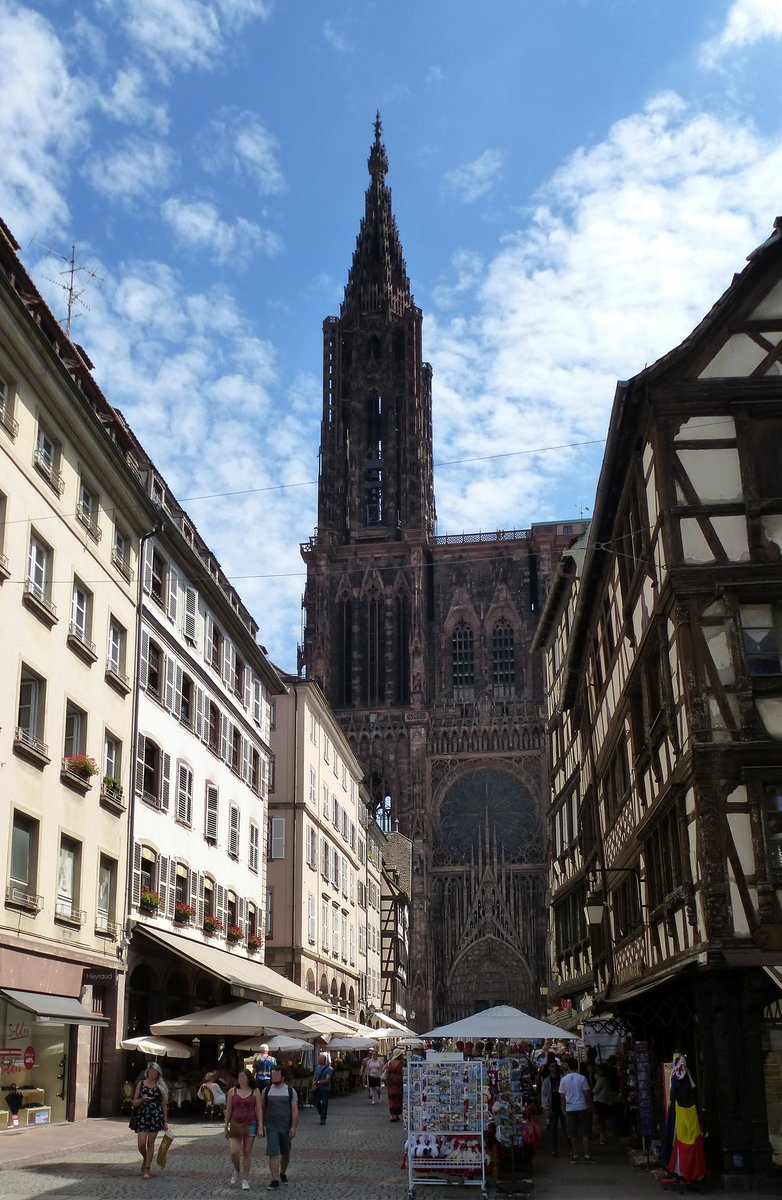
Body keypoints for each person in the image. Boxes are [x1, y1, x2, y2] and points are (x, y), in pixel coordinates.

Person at [260, 1064, 298, 1190]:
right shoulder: (266, 1091)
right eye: (272, 1074)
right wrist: (261, 1125)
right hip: (271, 1126)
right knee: (273, 1152)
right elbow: (263, 1108)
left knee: (285, 1152)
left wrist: (293, 1127)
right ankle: (274, 1179)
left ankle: (282, 1172)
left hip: (285, 1126)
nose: (273, 1076)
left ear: (283, 1076)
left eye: (276, 1074)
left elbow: (294, 1110)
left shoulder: (290, 1091)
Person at [225, 1068, 263, 1191]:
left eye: (243, 1077)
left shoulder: (255, 1091)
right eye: (239, 1077)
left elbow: (259, 1109)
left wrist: (261, 1126)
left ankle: (245, 1179)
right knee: (234, 1152)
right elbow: (229, 1109)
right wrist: (225, 1126)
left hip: (251, 1123)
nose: (241, 1079)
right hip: (235, 1123)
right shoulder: (232, 1091)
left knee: (247, 1151)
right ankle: (237, 1170)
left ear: (248, 1079)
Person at [132, 1062, 169, 1180]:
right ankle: (145, 1158)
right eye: (151, 1071)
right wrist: (142, 1099)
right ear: (147, 1072)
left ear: (158, 1073)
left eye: (155, 1072)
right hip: (143, 1115)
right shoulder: (141, 1084)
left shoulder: (160, 1086)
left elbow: (164, 1106)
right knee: (141, 1144)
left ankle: (147, 1168)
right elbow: (134, 1102)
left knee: (150, 1144)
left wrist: (165, 1121)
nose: (153, 1074)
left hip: (156, 1116)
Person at [559, 1056, 593, 1164]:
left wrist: (563, 1108)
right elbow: (587, 1094)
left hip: (570, 1108)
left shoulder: (564, 1079)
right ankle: (587, 1155)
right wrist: (589, 1105)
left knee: (573, 1134)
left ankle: (575, 1154)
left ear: (568, 1067)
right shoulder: (582, 1078)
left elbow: (562, 1096)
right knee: (585, 1133)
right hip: (582, 1107)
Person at [540, 1062, 568, 1157]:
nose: (554, 1068)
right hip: (553, 1107)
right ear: (549, 1068)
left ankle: (570, 1149)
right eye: (552, 1066)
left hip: (563, 1107)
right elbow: (544, 1096)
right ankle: (554, 1150)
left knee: (566, 1129)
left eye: (556, 1066)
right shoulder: (546, 1081)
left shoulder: (563, 1079)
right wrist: (546, 1109)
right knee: (553, 1130)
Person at [592, 1064, 613, 1144]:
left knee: (598, 1120)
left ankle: (602, 1135)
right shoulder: (605, 1079)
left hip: (599, 1102)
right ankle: (602, 1136)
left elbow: (594, 1090)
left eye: (598, 1070)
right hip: (604, 1101)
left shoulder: (602, 1079)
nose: (597, 1071)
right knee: (600, 1120)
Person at [312, 1052, 334, 1125]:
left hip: (325, 1088)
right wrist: (313, 1083)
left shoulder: (328, 1069)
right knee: (316, 1102)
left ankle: (323, 1118)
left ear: (323, 1060)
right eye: (318, 1059)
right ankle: (322, 1113)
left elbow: (327, 1080)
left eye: (320, 1059)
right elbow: (314, 1076)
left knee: (324, 1103)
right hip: (318, 1088)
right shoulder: (317, 1067)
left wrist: (317, 1082)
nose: (318, 1060)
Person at [384, 1047, 404, 1122]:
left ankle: (392, 1115)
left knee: (391, 1098)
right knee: (398, 1098)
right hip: (398, 1082)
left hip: (390, 1082)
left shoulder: (389, 1062)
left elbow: (383, 1069)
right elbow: (402, 1073)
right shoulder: (401, 1063)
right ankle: (396, 1114)